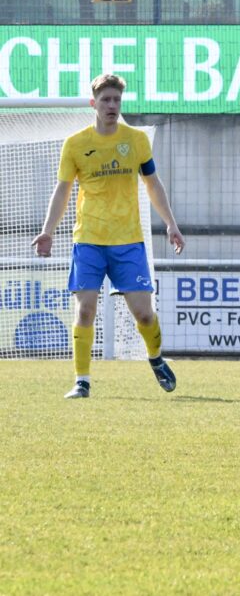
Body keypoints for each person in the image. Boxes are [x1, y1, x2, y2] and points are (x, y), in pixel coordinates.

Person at [32, 73, 185, 399]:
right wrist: (48, 231)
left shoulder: (136, 140)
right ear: (94, 104)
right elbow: (63, 190)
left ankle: (156, 358)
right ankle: (82, 381)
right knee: (85, 310)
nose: (112, 105)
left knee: (143, 313)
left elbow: (153, 185)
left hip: (128, 241)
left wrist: (170, 223)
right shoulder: (75, 144)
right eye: (106, 100)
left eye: (116, 100)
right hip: (88, 238)